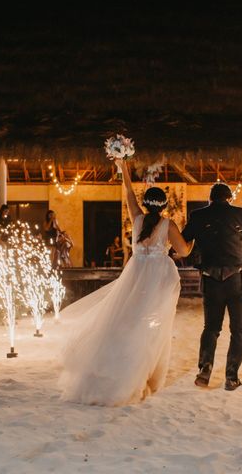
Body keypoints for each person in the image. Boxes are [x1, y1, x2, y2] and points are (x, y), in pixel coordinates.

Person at [58, 159, 193, 406]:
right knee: (151, 328)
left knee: (126, 321)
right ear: (164, 206)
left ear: (145, 204)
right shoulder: (168, 224)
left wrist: (124, 168)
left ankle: (117, 370)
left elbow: (128, 192)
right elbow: (183, 251)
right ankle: (140, 375)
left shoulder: (138, 220)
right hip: (157, 280)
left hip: (135, 276)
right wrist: (192, 241)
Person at [182, 182, 242, 391]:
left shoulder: (197, 216)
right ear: (229, 198)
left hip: (211, 279)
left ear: (210, 199)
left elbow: (183, 243)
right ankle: (231, 377)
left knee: (211, 328)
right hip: (237, 279)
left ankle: (205, 368)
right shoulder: (240, 213)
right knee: (238, 330)